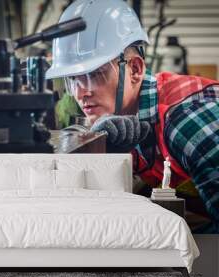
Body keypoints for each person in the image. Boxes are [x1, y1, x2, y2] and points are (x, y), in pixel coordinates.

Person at [45, 0, 219, 233]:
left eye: (94, 74)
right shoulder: (123, 117)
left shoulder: (187, 121)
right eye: (73, 79)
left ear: (135, 69)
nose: (80, 93)